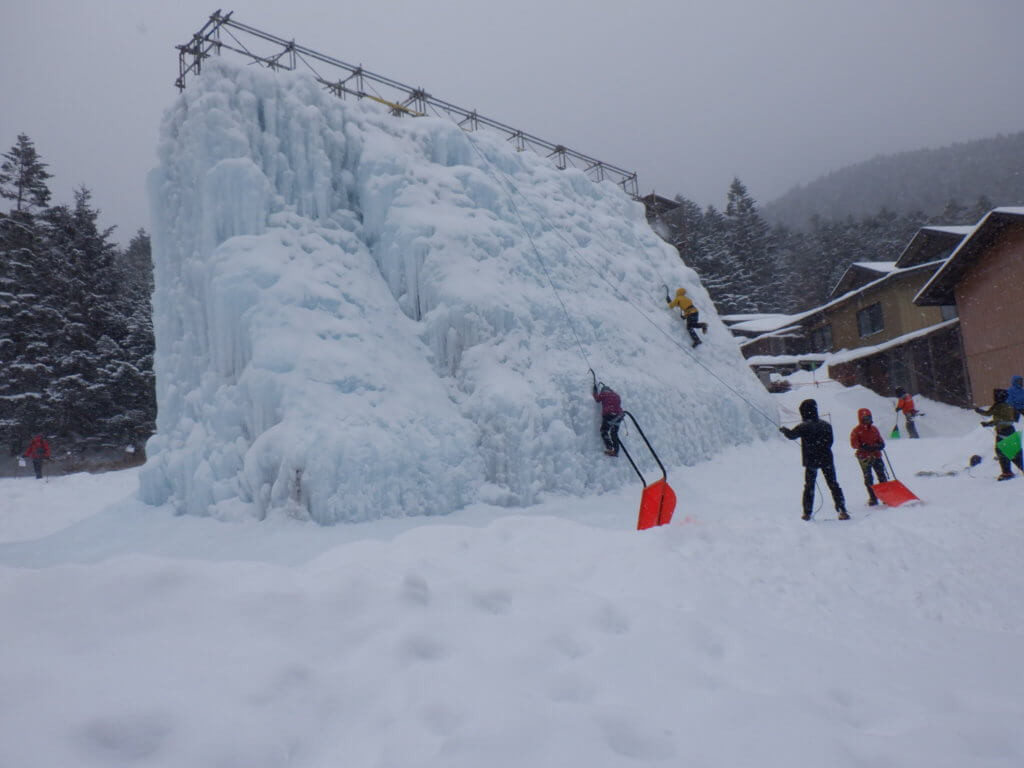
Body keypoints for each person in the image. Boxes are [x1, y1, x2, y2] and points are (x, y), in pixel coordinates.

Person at [780, 399, 848, 520]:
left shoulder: (803, 426)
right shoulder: (826, 425)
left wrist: (784, 430)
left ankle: (807, 513)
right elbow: (830, 441)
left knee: (809, 487)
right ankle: (842, 510)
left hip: (811, 461)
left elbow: (791, 435)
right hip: (827, 459)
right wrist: (821, 449)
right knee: (833, 484)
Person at [975, 388, 1023, 481]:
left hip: (1002, 432)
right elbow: (1014, 417)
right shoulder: (1010, 405)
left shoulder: (998, 406)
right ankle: (1020, 467)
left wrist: (979, 411)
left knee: (1001, 452)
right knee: (1014, 451)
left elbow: (988, 414)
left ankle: (1007, 472)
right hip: (1011, 430)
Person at [849, 408, 888, 505]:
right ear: (861, 419)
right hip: (864, 457)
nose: (867, 420)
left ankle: (886, 496)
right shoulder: (856, 430)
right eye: (865, 418)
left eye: (869, 418)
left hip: (876, 455)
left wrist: (880, 445)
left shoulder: (874, 429)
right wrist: (863, 447)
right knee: (868, 478)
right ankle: (873, 497)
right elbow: (854, 444)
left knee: (882, 476)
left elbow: (880, 440)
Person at [592, 380, 624, 457]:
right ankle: (615, 451)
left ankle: (609, 448)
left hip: (609, 415)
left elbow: (597, 399)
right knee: (614, 433)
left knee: (604, 431)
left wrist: (595, 390)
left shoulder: (604, 394)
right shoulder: (617, 396)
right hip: (619, 416)